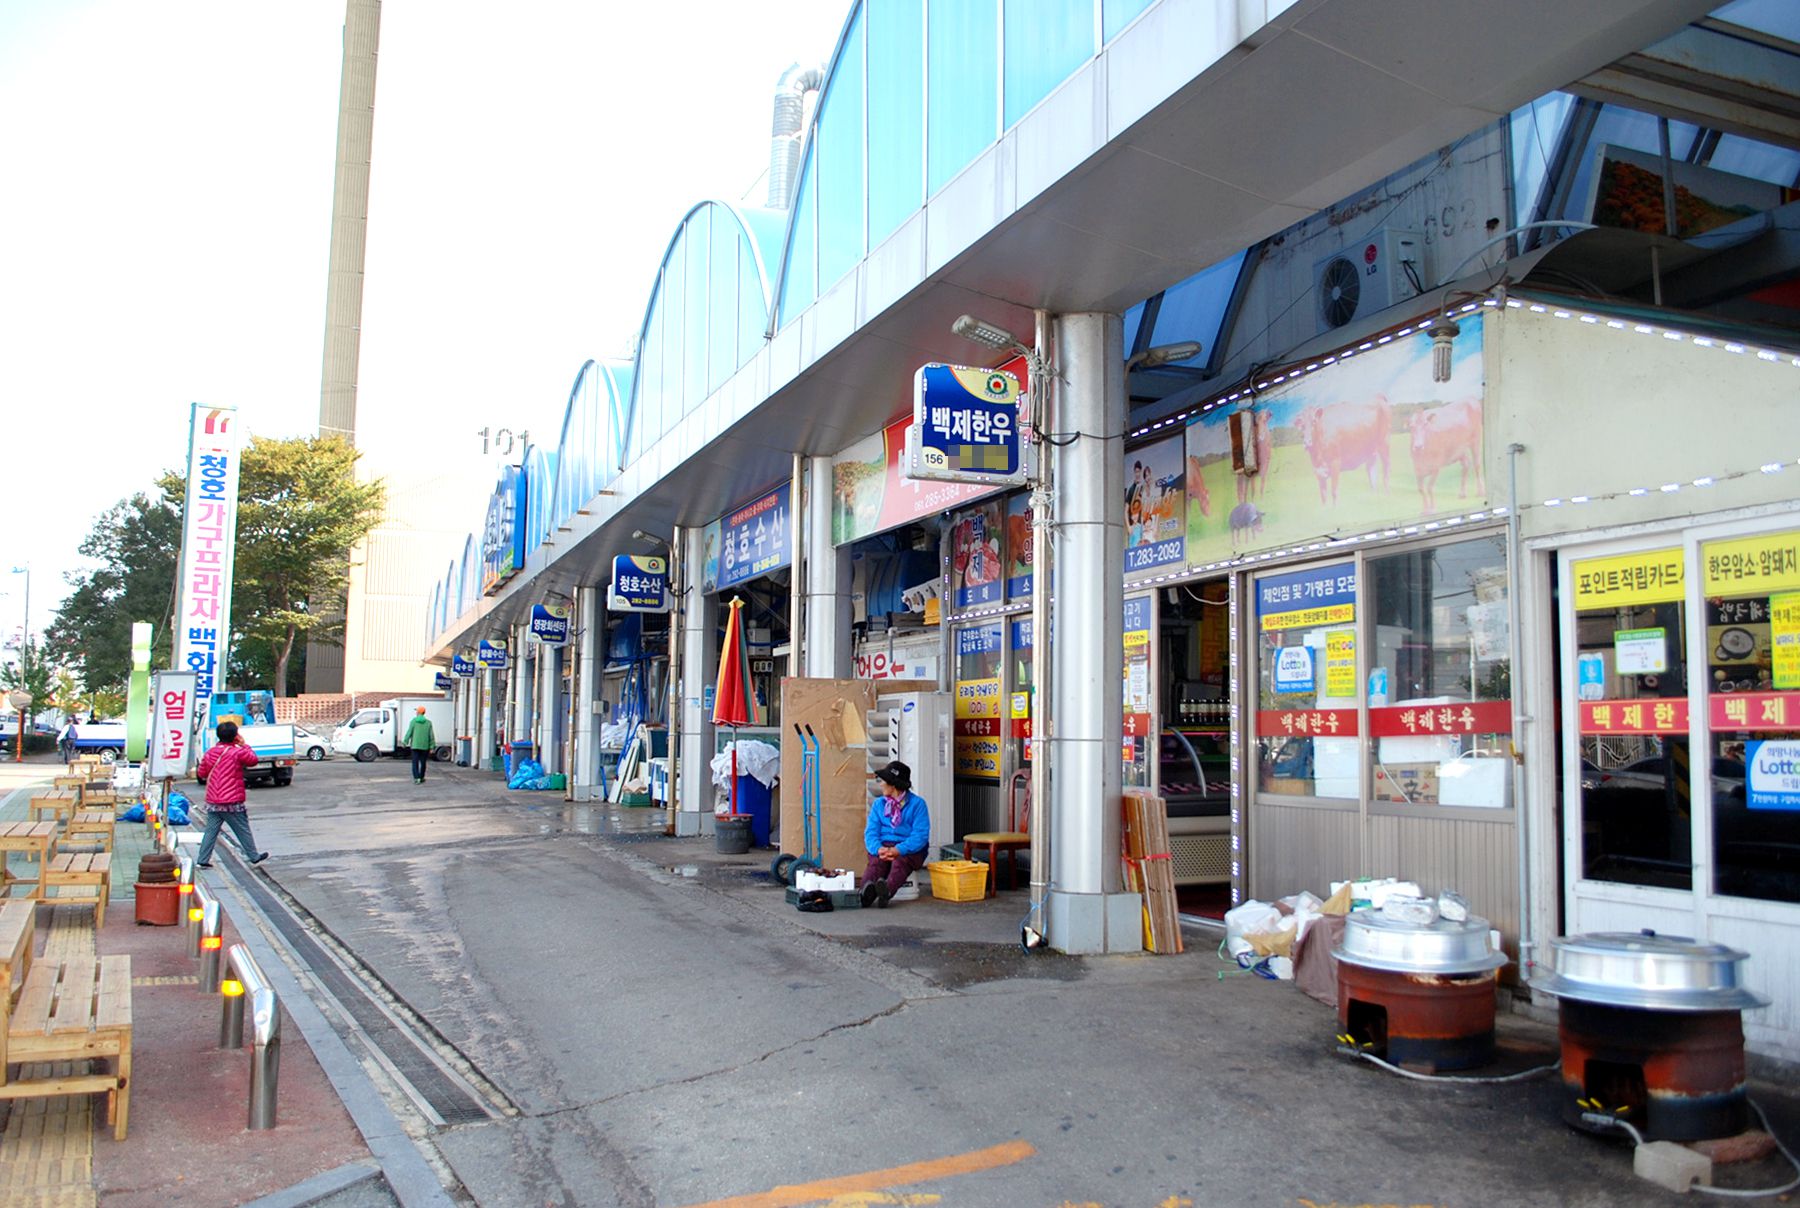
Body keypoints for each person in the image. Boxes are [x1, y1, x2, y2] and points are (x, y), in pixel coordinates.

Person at [193, 721, 268, 869]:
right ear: (235, 736)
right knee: (242, 828)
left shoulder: (210, 753)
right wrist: (244, 744)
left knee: (211, 831)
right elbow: (253, 760)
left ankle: (203, 859)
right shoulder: (237, 752)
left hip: (213, 801)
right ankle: (253, 855)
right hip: (231, 800)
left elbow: (201, 773)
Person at [860, 760, 931, 908]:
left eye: (883, 781)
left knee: (900, 862)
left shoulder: (918, 804)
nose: (880, 784)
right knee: (876, 863)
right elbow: (871, 832)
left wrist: (898, 850)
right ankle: (864, 893)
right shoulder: (879, 804)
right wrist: (878, 849)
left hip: (909, 848)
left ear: (893, 785)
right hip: (884, 845)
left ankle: (886, 891)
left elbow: (920, 836)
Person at [403, 705, 437, 784]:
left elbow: (409, 732)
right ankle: (421, 777)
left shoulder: (413, 721)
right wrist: (432, 746)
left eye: (416, 711)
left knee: (415, 762)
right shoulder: (428, 723)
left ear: (418, 713)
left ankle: (416, 778)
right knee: (423, 763)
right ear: (424, 713)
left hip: (415, 745)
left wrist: (405, 742)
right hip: (425, 746)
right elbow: (431, 735)